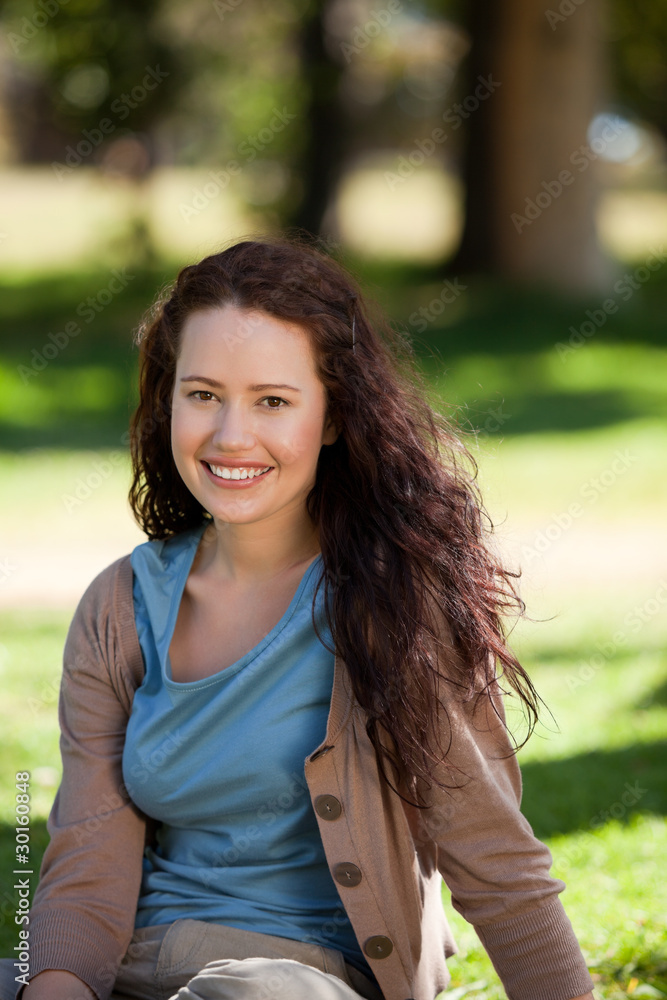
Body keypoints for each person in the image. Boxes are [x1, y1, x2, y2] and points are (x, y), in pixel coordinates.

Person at [1, 235, 596, 1000]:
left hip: (290, 980)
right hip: (128, 966)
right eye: (203, 394)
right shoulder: (119, 607)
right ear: (167, 399)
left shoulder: (388, 604)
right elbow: (87, 862)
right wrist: (55, 990)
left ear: (332, 418)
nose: (230, 436)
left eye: (272, 401)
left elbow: (495, 861)